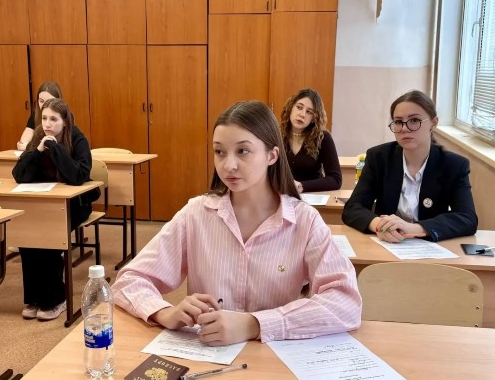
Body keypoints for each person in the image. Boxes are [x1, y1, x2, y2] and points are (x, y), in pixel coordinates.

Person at [112, 100, 361, 346]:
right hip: (209, 356)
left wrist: (255, 324)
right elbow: (129, 280)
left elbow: (346, 302)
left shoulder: (305, 221)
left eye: (243, 151)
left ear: (272, 155)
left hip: (273, 356)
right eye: (219, 152)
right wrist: (164, 312)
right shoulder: (196, 214)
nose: (228, 165)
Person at [342, 90, 477, 243]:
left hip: (430, 247)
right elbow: (352, 208)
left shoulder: (453, 165)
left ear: (433, 123)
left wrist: (414, 228)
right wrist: (380, 226)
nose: (405, 128)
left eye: (414, 120)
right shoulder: (379, 157)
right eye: (398, 122)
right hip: (387, 243)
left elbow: (467, 218)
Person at [12, 98, 98, 320]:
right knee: (28, 239)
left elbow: (79, 176)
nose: (47, 124)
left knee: (49, 238)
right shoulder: (38, 138)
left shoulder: (77, 139)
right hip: (44, 204)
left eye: (53, 119)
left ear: (65, 121)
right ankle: (34, 298)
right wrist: (38, 150)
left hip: (75, 204)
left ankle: (56, 299)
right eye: (44, 118)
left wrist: (56, 149)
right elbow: (19, 175)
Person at [280, 88, 342, 192]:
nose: (302, 114)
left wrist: (301, 186)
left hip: (312, 196)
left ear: (314, 118)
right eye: (299, 107)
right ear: (290, 107)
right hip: (282, 195)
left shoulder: (323, 137)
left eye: (309, 112)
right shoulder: (276, 134)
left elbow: (336, 180)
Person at [17, 82, 62, 151]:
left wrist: (29, 146)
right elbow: (22, 144)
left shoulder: (64, 116)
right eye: (41, 101)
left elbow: (54, 146)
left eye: (49, 101)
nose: (44, 105)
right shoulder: (35, 115)